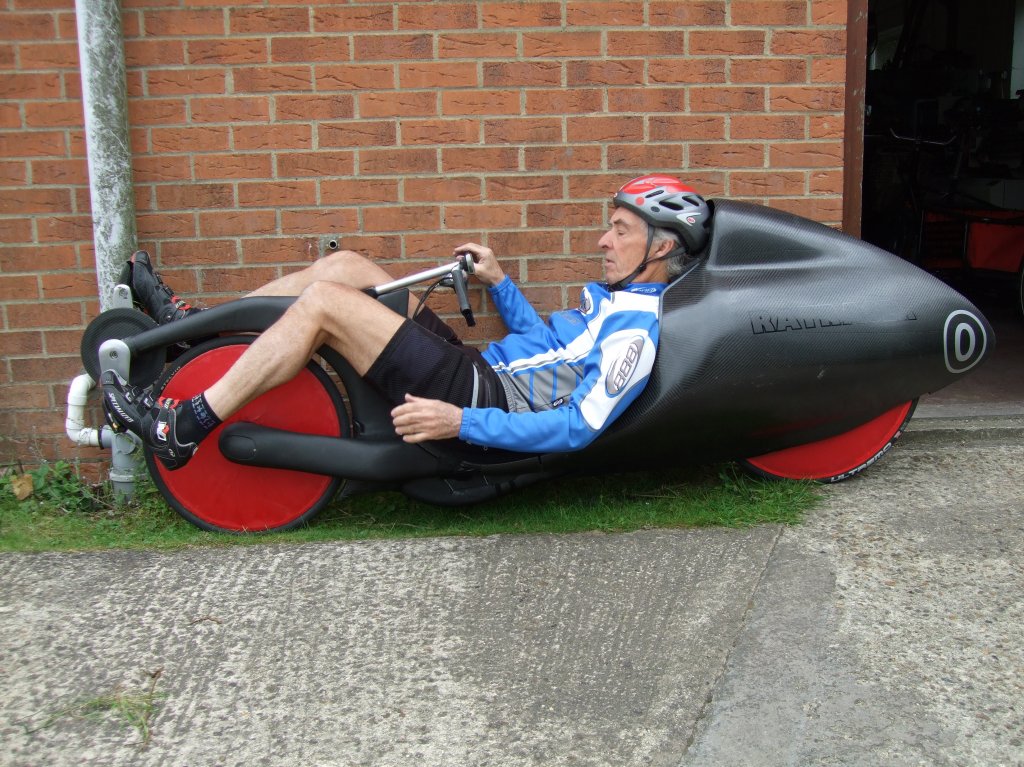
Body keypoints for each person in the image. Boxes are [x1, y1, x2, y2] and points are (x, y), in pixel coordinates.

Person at [102, 175, 711, 470]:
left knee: (325, 301)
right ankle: (192, 331)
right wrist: (500, 283)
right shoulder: (613, 298)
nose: (604, 240)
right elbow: (541, 351)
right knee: (346, 266)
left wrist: (460, 420)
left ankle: (181, 427)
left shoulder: (635, 331)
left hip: (474, 397)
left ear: (660, 248)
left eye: (621, 230)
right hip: (479, 371)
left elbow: (578, 427)